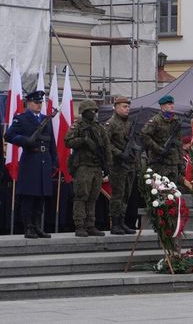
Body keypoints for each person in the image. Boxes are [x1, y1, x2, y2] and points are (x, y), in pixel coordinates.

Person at [4, 91, 58, 239]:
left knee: (41, 196)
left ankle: (37, 226)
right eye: (36, 102)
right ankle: (28, 227)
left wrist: (54, 161)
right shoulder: (21, 119)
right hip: (30, 160)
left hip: (45, 160)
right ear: (28, 103)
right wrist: (23, 140)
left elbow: (51, 142)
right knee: (29, 196)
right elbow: (8, 135)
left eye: (40, 103)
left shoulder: (46, 119)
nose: (39, 105)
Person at [64, 99, 112, 237]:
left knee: (93, 197)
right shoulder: (77, 126)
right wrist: (83, 140)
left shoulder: (99, 127)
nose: (94, 113)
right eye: (91, 111)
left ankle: (91, 225)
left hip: (97, 166)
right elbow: (67, 142)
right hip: (83, 167)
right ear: (84, 112)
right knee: (81, 196)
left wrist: (108, 165)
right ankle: (79, 225)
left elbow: (107, 146)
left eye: (95, 111)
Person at [104, 96, 138, 235]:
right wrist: (119, 153)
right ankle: (115, 223)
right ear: (116, 107)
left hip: (129, 164)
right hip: (117, 165)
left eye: (128, 107)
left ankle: (122, 221)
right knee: (117, 195)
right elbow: (106, 143)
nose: (127, 109)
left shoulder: (128, 123)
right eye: (124, 106)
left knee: (126, 195)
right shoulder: (110, 123)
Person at [141, 95, 184, 185]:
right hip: (159, 162)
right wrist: (158, 149)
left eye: (172, 103)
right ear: (162, 106)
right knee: (159, 191)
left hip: (173, 162)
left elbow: (179, 142)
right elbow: (144, 135)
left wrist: (181, 161)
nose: (172, 106)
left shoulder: (176, 121)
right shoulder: (155, 120)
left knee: (173, 192)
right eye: (169, 104)